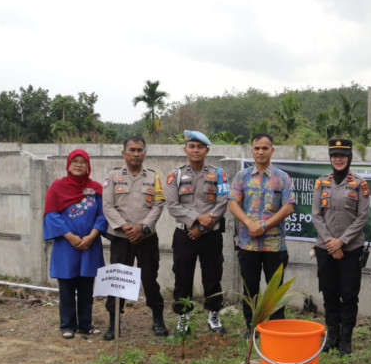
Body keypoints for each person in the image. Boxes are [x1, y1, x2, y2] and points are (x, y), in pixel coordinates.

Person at [228, 133, 296, 335]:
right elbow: (233, 203)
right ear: (252, 150)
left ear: (272, 150)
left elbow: (288, 208)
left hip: (274, 245)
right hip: (248, 244)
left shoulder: (282, 177)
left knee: (275, 290)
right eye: (257, 148)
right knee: (250, 289)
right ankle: (252, 326)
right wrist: (249, 222)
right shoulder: (242, 176)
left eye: (265, 148)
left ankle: (276, 329)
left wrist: (264, 225)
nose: (260, 152)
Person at [164, 130, 230, 335]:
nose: (195, 150)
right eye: (191, 146)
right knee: (182, 276)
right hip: (184, 235)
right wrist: (196, 219)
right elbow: (172, 205)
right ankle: (183, 318)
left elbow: (222, 203)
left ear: (206, 150)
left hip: (210, 235)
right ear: (185, 149)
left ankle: (213, 317)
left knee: (213, 276)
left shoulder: (219, 174)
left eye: (200, 147)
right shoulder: (175, 175)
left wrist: (201, 227)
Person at [101, 136, 166, 340]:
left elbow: (158, 205)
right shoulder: (112, 176)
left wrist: (143, 227)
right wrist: (126, 227)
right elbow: (107, 206)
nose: (136, 154)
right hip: (121, 237)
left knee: (150, 279)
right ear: (124, 153)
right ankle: (114, 322)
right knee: (117, 280)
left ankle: (158, 319)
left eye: (140, 150)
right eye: (132, 150)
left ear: (144, 153)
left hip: (147, 237)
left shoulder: (154, 177)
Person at [312, 137, 370, 355]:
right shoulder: (321, 183)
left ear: (350, 157)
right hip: (325, 248)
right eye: (335, 156)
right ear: (330, 158)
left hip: (351, 249)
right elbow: (316, 215)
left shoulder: (360, 184)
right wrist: (330, 243)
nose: (338, 159)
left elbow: (363, 217)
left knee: (349, 294)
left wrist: (341, 242)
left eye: (343, 155)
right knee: (329, 293)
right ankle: (331, 336)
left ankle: (346, 339)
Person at [43, 149, 107, 338]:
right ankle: (67, 325)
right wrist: (71, 236)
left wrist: (92, 236)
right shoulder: (57, 187)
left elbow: (102, 215)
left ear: (88, 166)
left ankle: (85, 324)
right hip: (66, 245)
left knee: (87, 286)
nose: (79, 164)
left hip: (90, 244)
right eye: (75, 161)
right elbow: (51, 215)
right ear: (68, 164)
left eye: (83, 162)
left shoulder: (95, 189)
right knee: (67, 286)